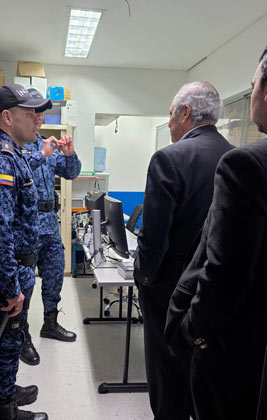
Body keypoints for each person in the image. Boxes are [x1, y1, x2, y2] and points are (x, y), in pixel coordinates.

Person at [165, 47, 267, 420]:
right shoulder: (232, 152)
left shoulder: (245, 163)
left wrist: (194, 331)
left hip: (234, 346)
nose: (251, 92)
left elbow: (226, 268)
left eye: (254, 85)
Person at [132, 81, 233, 420]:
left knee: (167, 376)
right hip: (216, 291)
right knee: (204, 375)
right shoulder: (237, 157)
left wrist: (143, 280)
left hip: (169, 292)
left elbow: (153, 237)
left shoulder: (169, 158)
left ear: (185, 112)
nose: (170, 123)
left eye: (171, 115)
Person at [0, 84, 53, 420]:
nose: (38, 119)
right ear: (8, 117)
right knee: (6, 338)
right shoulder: (0, 159)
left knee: (11, 337)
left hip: (19, 266)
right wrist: (11, 287)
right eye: (31, 113)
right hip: (8, 273)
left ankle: (6, 389)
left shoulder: (13, 152)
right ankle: (5, 408)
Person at [18, 88, 80, 366]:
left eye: (41, 114)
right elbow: (17, 175)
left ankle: (50, 323)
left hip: (50, 225)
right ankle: (22, 335)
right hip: (27, 226)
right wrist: (42, 155)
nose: (39, 118)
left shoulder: (48, 145)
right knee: (25, 284)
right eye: (34, 113)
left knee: (55, 275)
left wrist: (69, 154)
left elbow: (71, 173)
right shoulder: (18, 148)